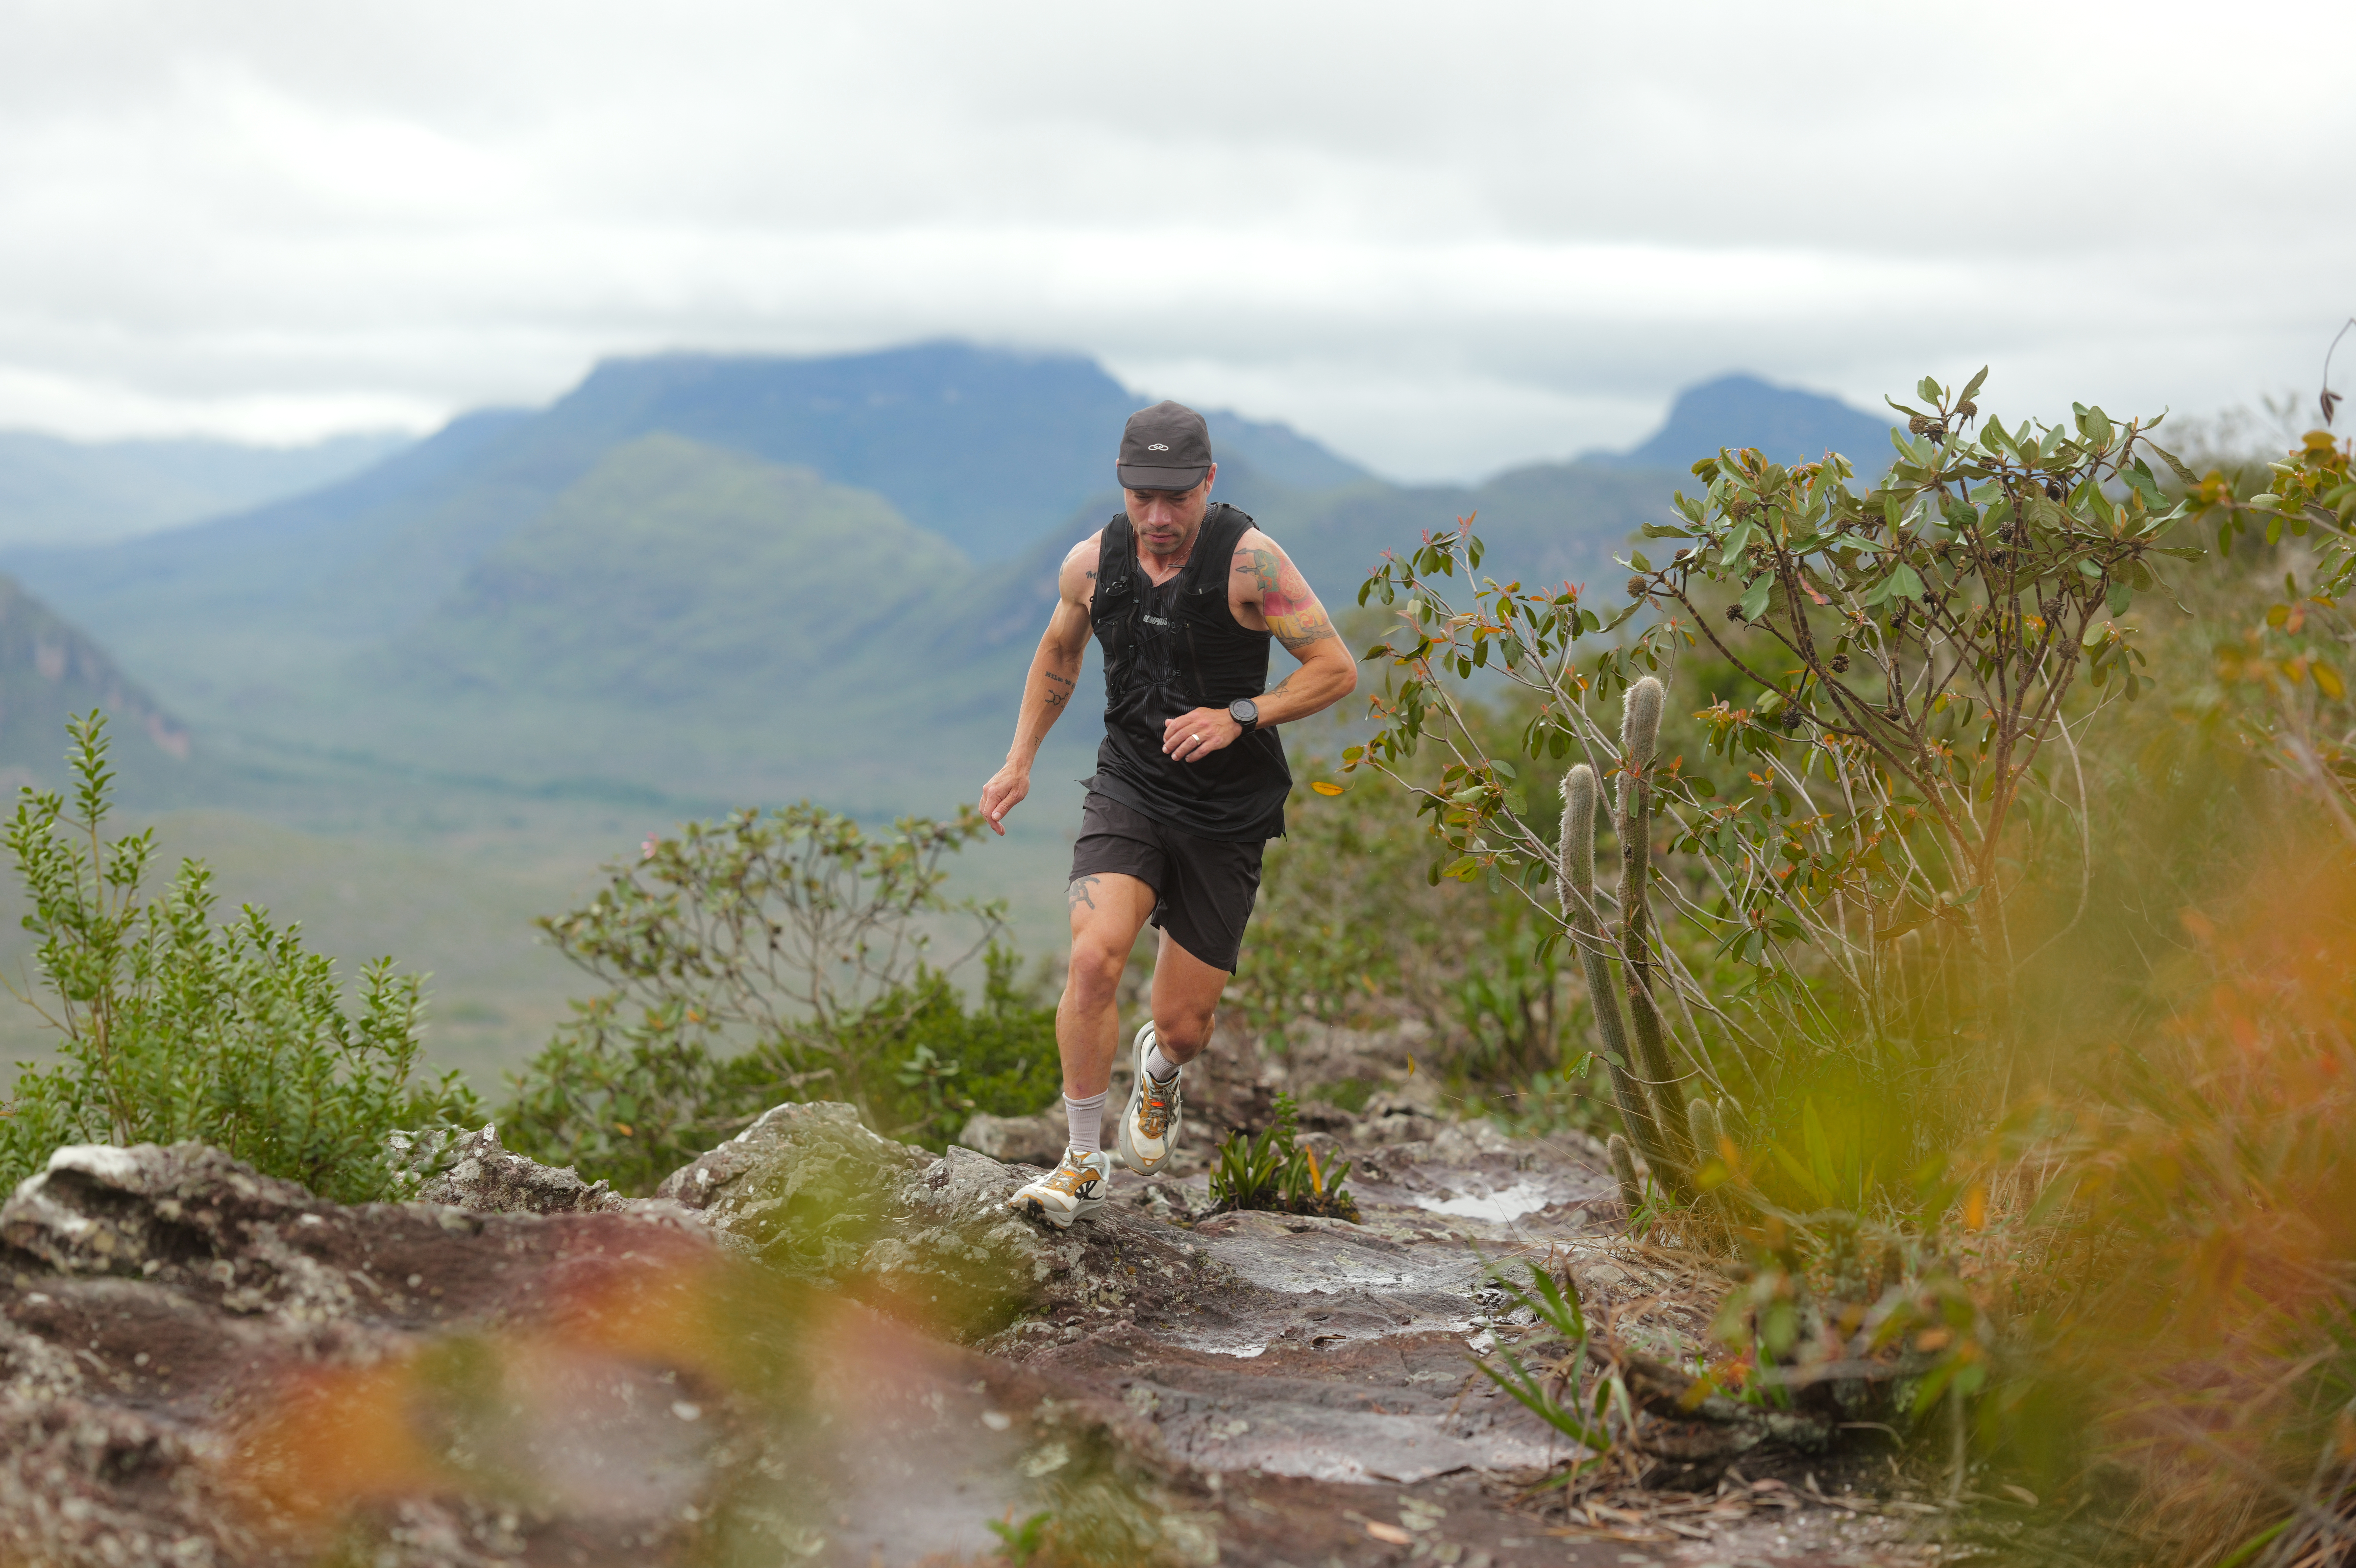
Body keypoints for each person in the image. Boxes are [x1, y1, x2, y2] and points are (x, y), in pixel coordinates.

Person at [978, 400, 1358, 1228]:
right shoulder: (1090, 564)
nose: (1157, 517)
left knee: (1183, 1026)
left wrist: (1241, 715)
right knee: (1094, 961)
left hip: (1227, 808)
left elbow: (1335, 668)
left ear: (1208, 483)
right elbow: (1060, 648)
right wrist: (1020, 760)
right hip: (1131, 786)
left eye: (1177, 498)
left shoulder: (1252, 564)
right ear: (1122, 486)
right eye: (1142, 496)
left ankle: (1161, 1071)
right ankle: (1081, 1161)